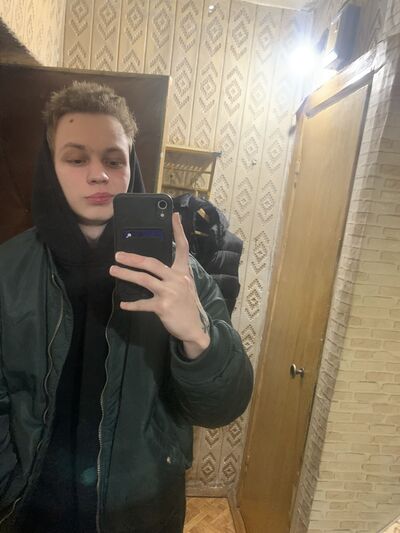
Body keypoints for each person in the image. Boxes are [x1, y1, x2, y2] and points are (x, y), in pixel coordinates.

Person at [0, 81, 253, 533]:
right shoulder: (7, 270)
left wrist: (196, 335)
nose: (98, 174)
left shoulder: (183, 276)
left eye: (113, 160)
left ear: (130, 166)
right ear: (51, 165)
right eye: (76, 158)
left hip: (141, 509)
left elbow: (222, 408)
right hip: (32, 509)